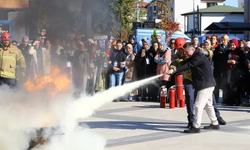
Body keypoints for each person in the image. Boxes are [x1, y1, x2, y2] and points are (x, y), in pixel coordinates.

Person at [167, 42, 220, 133]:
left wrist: (176, 70)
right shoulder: (194, 56)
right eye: (184, 51)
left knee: (198, 106)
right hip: (206, 84)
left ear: (193, 49)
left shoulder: (198, 57)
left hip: (205, 85)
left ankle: (196, 126)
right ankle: (215, 123)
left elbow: (189, 65)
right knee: (208, 105)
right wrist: (173, 67)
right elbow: (184, 62)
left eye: (187, 51)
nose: (185, 53)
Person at [225, 39, 246, 106]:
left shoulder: (240, 52)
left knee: (236, 86)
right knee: (229, 85)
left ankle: (237, 101)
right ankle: (230, 100)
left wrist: (235, 62)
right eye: (231, 45)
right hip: (229, 70)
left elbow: (242, 62)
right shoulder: (228, 52)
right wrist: (228, 61)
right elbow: (224, 59)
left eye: (233, 45)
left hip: (237, 71)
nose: (232, 46)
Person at [213, 34, 230, 103]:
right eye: (222, 40)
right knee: (216, 85)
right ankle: (215, 99)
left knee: (225, 85)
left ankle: (225, 99)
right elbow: (216, 57)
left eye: (224, 40)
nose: (223, 41)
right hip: (218, 69)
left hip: (226, 69)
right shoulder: (217, 48)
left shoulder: (229, 49)